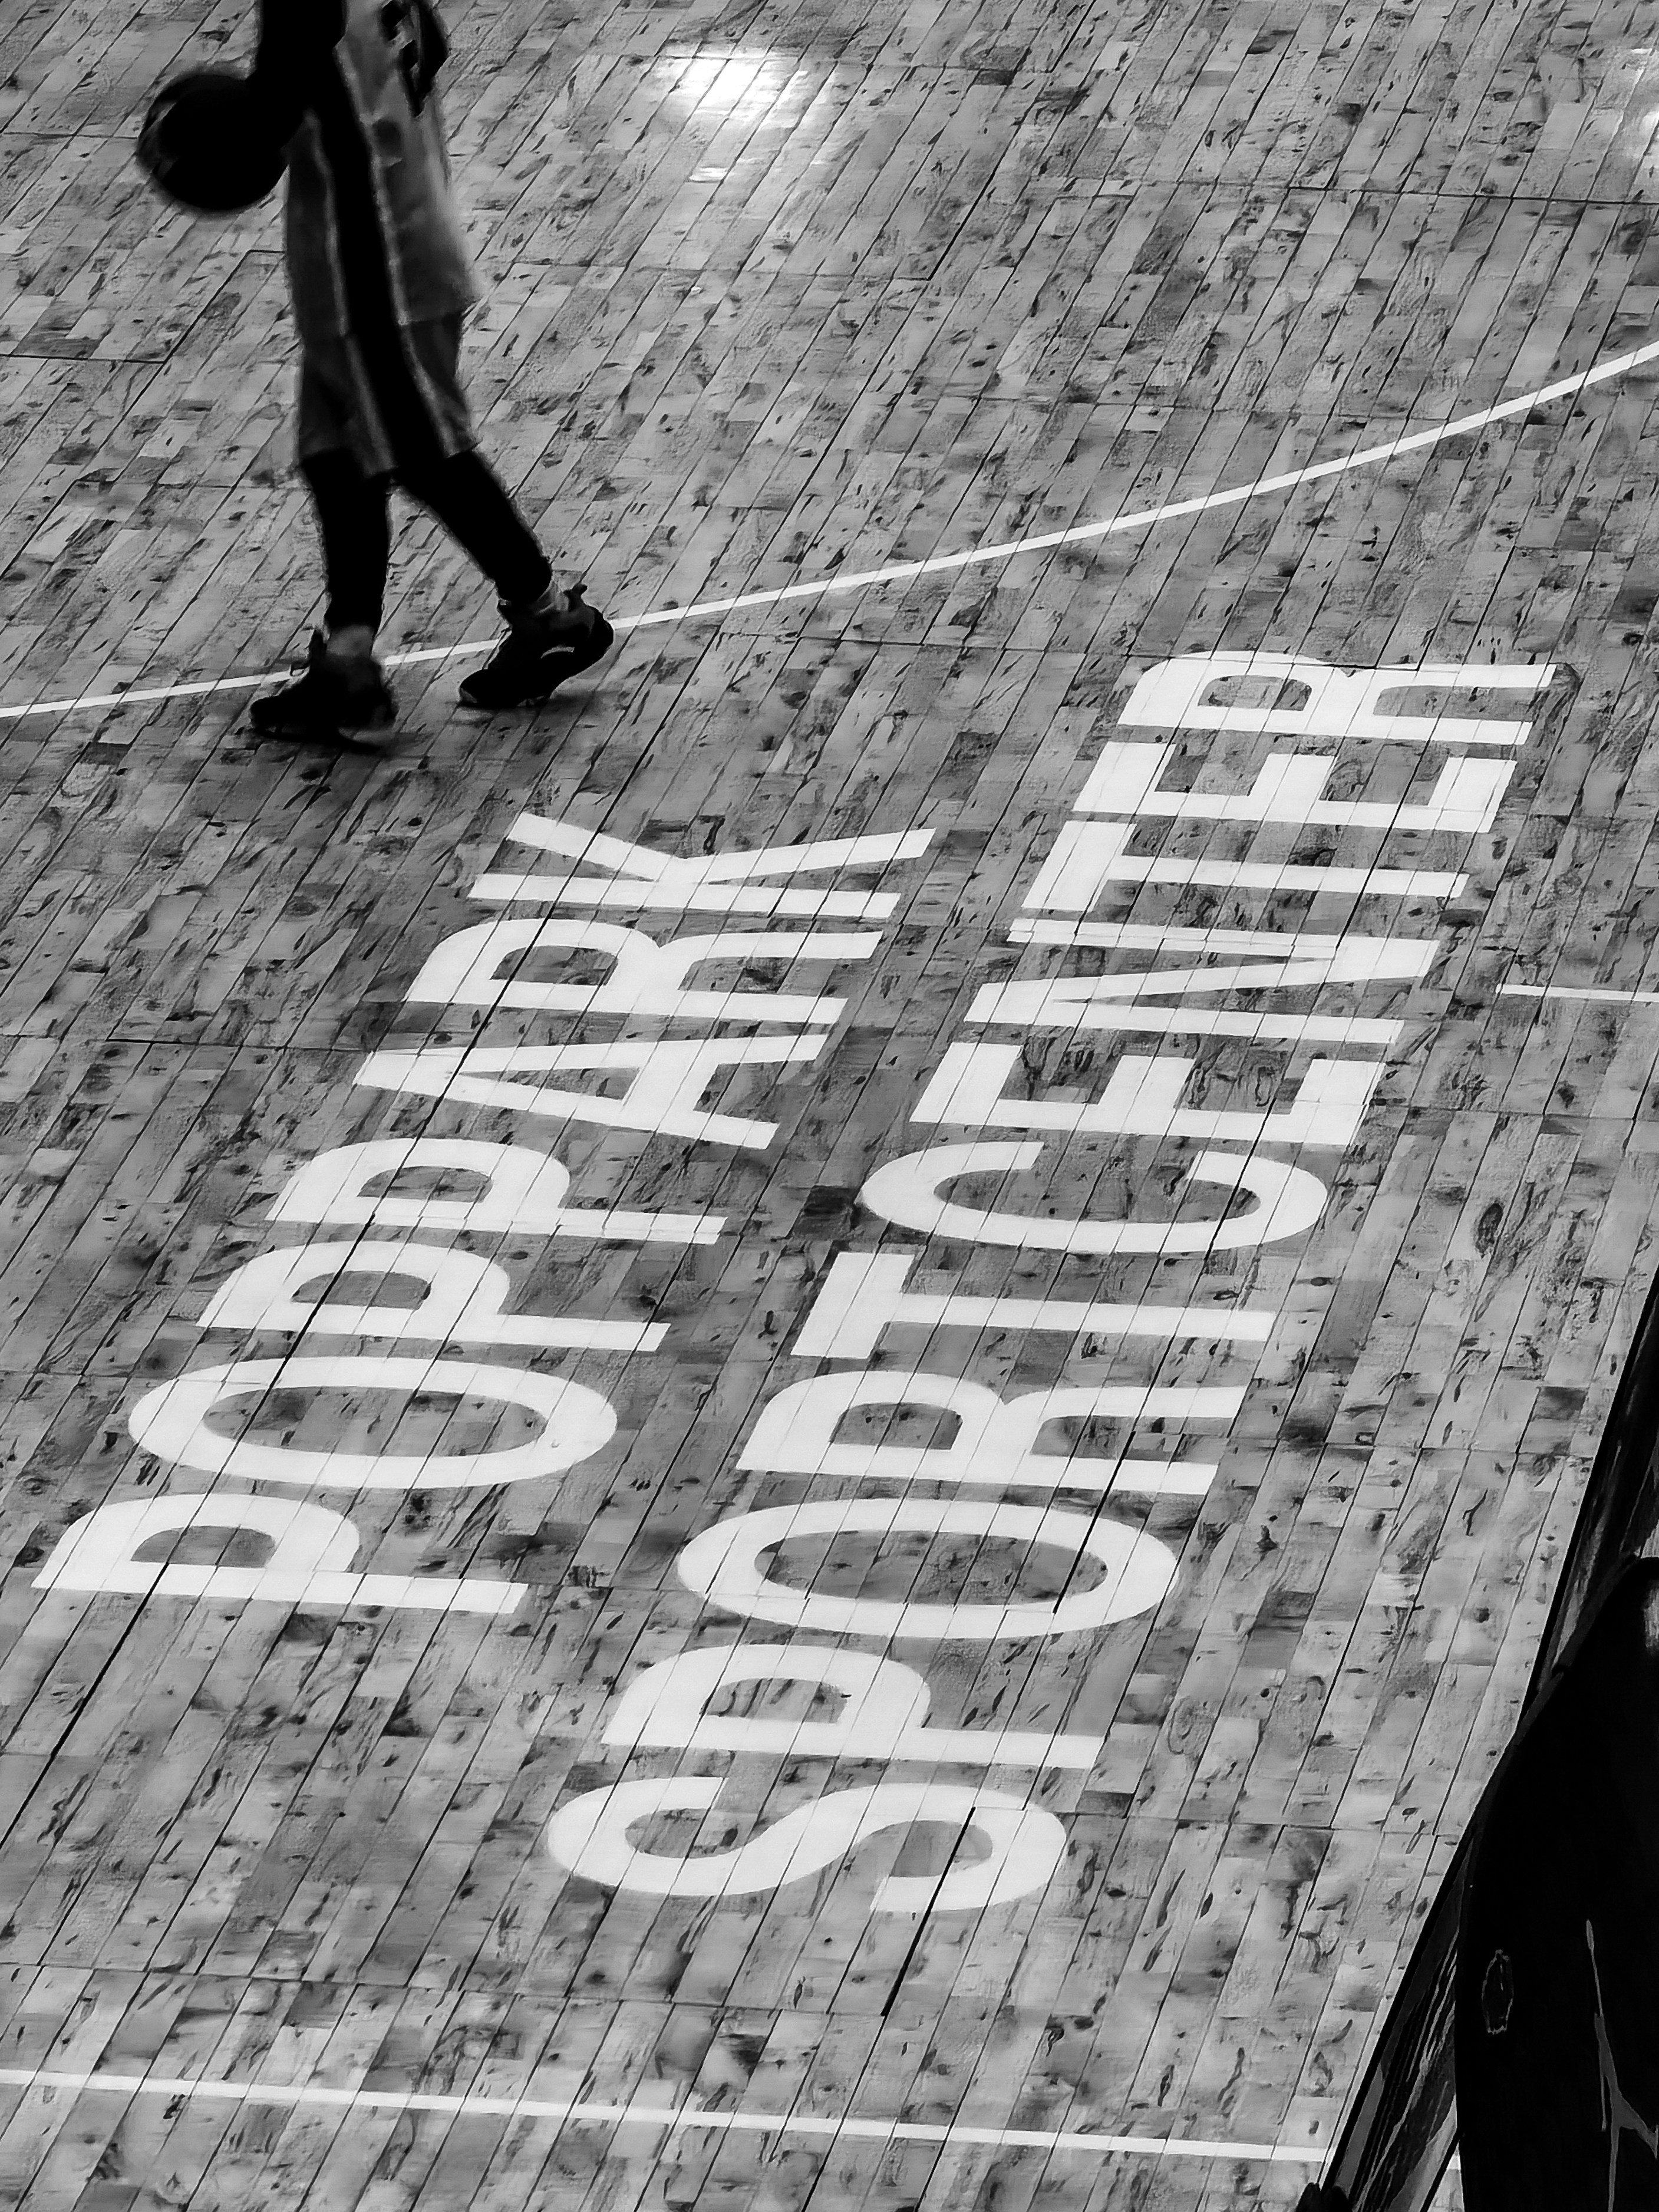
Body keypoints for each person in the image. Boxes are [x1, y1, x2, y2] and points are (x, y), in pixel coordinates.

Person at [243, 0, 612, 742]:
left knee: (424, 452)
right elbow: (427, 48)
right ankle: (347, 664)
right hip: (390, 236)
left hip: (374, 273)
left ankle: (550, 618)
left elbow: (252, 146)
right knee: (333, 450)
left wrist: (189, 137)